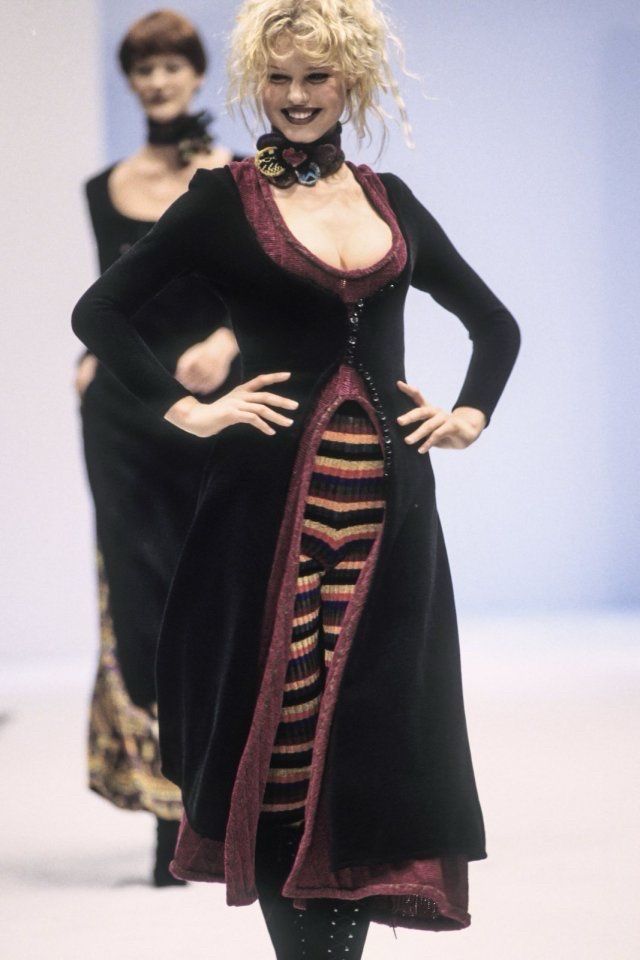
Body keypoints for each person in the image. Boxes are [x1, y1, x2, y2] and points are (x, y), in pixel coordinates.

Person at [73, 0, 520, 951]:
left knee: (371, 731)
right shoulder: (224, 200)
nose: (297, 95)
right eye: (278, 78)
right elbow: (101, 310)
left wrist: (470, 413)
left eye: (317, 77)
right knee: (280, 735)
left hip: (388, 518)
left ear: (350, 81)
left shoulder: (389, 199)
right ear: (256, 84)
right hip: (266, 511)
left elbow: (495, 323)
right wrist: (186, 407)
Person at [76, 10, 241, 887]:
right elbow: (111, 296)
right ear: (132, 82)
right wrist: (88, 357)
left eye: (173, 65)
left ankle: (220, 806)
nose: (159, 80)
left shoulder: (232, 178)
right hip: (124, 416)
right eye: (145, 68)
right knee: (139, 599)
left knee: (210, 589)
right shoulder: (103, 188)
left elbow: (256, 290)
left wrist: (225, 340)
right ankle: (165, 815)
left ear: (196, 75)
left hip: (213, 407)